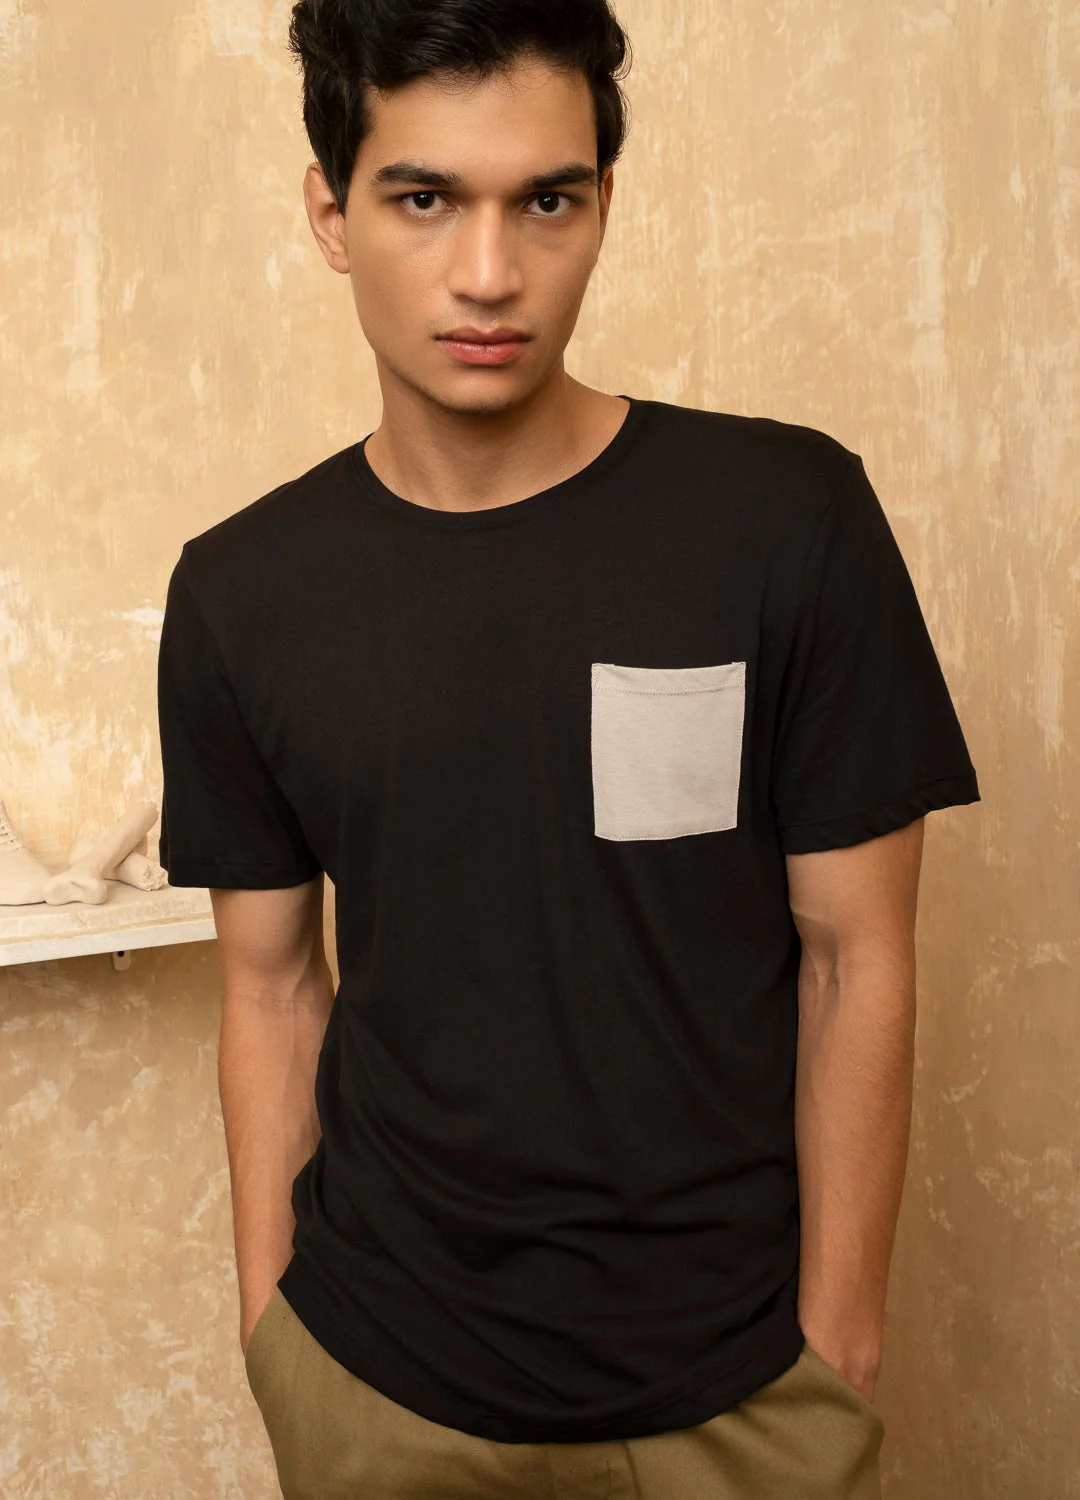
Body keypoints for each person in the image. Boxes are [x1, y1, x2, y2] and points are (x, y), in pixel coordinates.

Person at [155, 2, 980, 1496]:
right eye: (424, 199)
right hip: (375, 1388)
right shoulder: (240, 593)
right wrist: (274, 1330)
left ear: (604, 203)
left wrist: (839, 1348)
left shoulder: (786, 521)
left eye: (547, 201)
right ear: (331, 214)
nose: (490, 273)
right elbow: (271, 989)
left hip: (744, 1398)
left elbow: (856, 958)